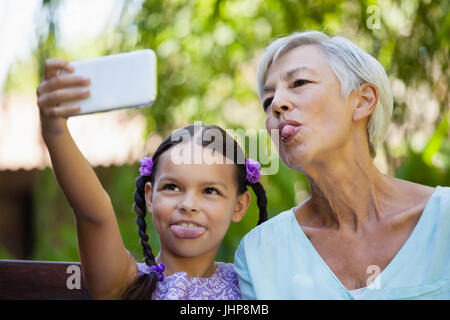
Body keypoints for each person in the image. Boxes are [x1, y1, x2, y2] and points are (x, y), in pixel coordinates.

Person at [234, 31, 450, 299]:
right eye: (267, 101)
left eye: (299, 82)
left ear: (363, 101)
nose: (277, 104)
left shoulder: (444, 219)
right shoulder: (259, 253)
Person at [36, 59, 267, 300]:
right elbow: (94, 214)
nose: (188, 204)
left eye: (210, 191)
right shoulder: (124, 282)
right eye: (172, 187)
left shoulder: (256, 286)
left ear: (239, 206)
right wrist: (55, 131)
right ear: (150, 196)